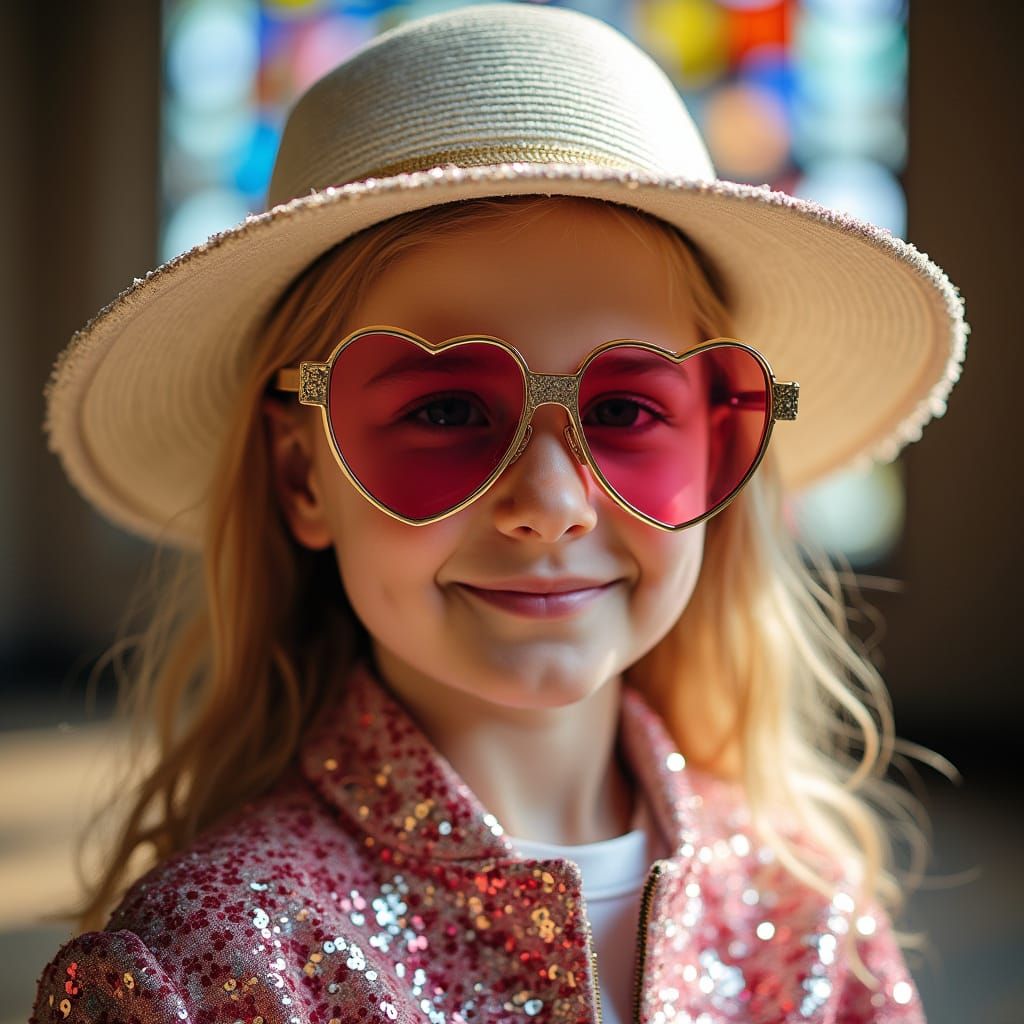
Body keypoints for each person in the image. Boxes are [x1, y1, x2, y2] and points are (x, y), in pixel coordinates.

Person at [30, 5, 968, 1023]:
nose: (551, 508)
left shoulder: (805, 911)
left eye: (625, 411)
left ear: (715, 446)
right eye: (445, 410)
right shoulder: (210, 967)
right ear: (302, 475)